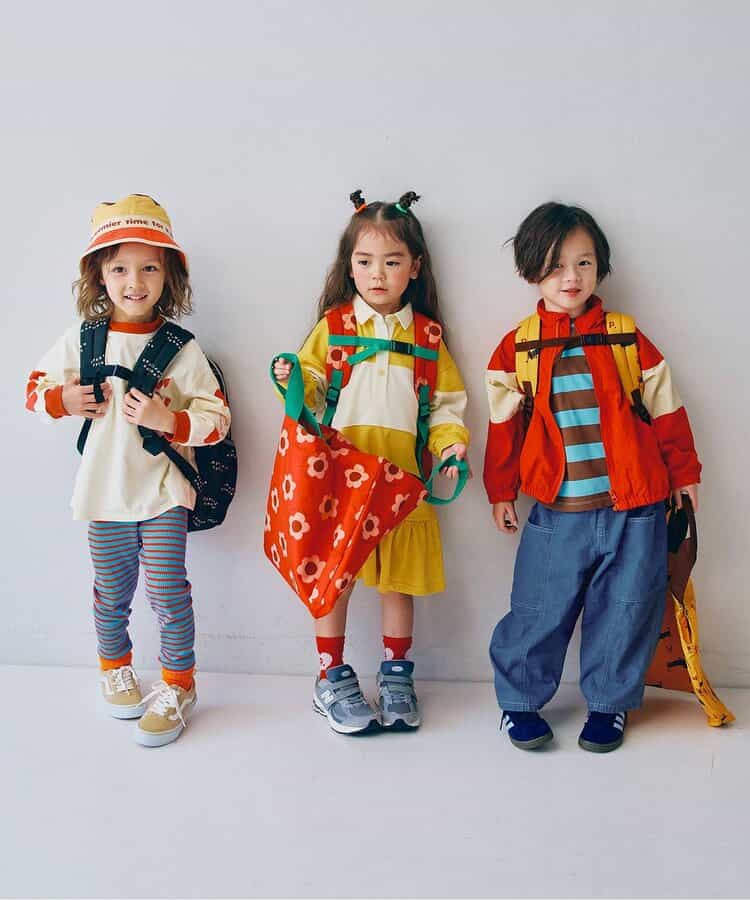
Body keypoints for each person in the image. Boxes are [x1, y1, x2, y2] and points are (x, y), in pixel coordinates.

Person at [483, 202, 701, 752]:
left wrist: (684, 474)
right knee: (537, 609)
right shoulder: (519, 346)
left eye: (583, 263)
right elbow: (504, 426)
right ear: (530, 269)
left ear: (600, 266)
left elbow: (667, 408)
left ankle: (608, 705)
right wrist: (500, 491)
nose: (571, 277)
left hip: (636, 510)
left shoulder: (625, 337)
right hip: (558, 512)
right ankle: (519, 702)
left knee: (627, 608)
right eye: (556, 265)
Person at [26, 194, 231, 747]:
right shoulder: (83, 339)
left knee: (168, 591)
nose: (134, 282)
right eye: (119, 268)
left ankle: (179, 684)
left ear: (170, 275)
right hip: (105, 490)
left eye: (149, 268)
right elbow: (33, 390)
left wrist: (170, 420)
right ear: (99, 274)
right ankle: (114, 667)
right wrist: (64, 400)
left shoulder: (182, 348)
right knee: (111, 590)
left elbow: (218, 421)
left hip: (164, 491)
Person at [273, 190, 469, 734]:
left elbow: (446, 404)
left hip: (401, 479)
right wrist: (294, 379)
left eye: (392, 261)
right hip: (340, 478)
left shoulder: (428, 337)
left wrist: (451, 445)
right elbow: (311, 385)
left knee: (396, 582)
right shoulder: (335, 327)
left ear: (415, 267)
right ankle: (330, 675)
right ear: (349, 266)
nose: (377, 274)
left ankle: (396, 674)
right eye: (364, 262)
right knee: (334, 577)